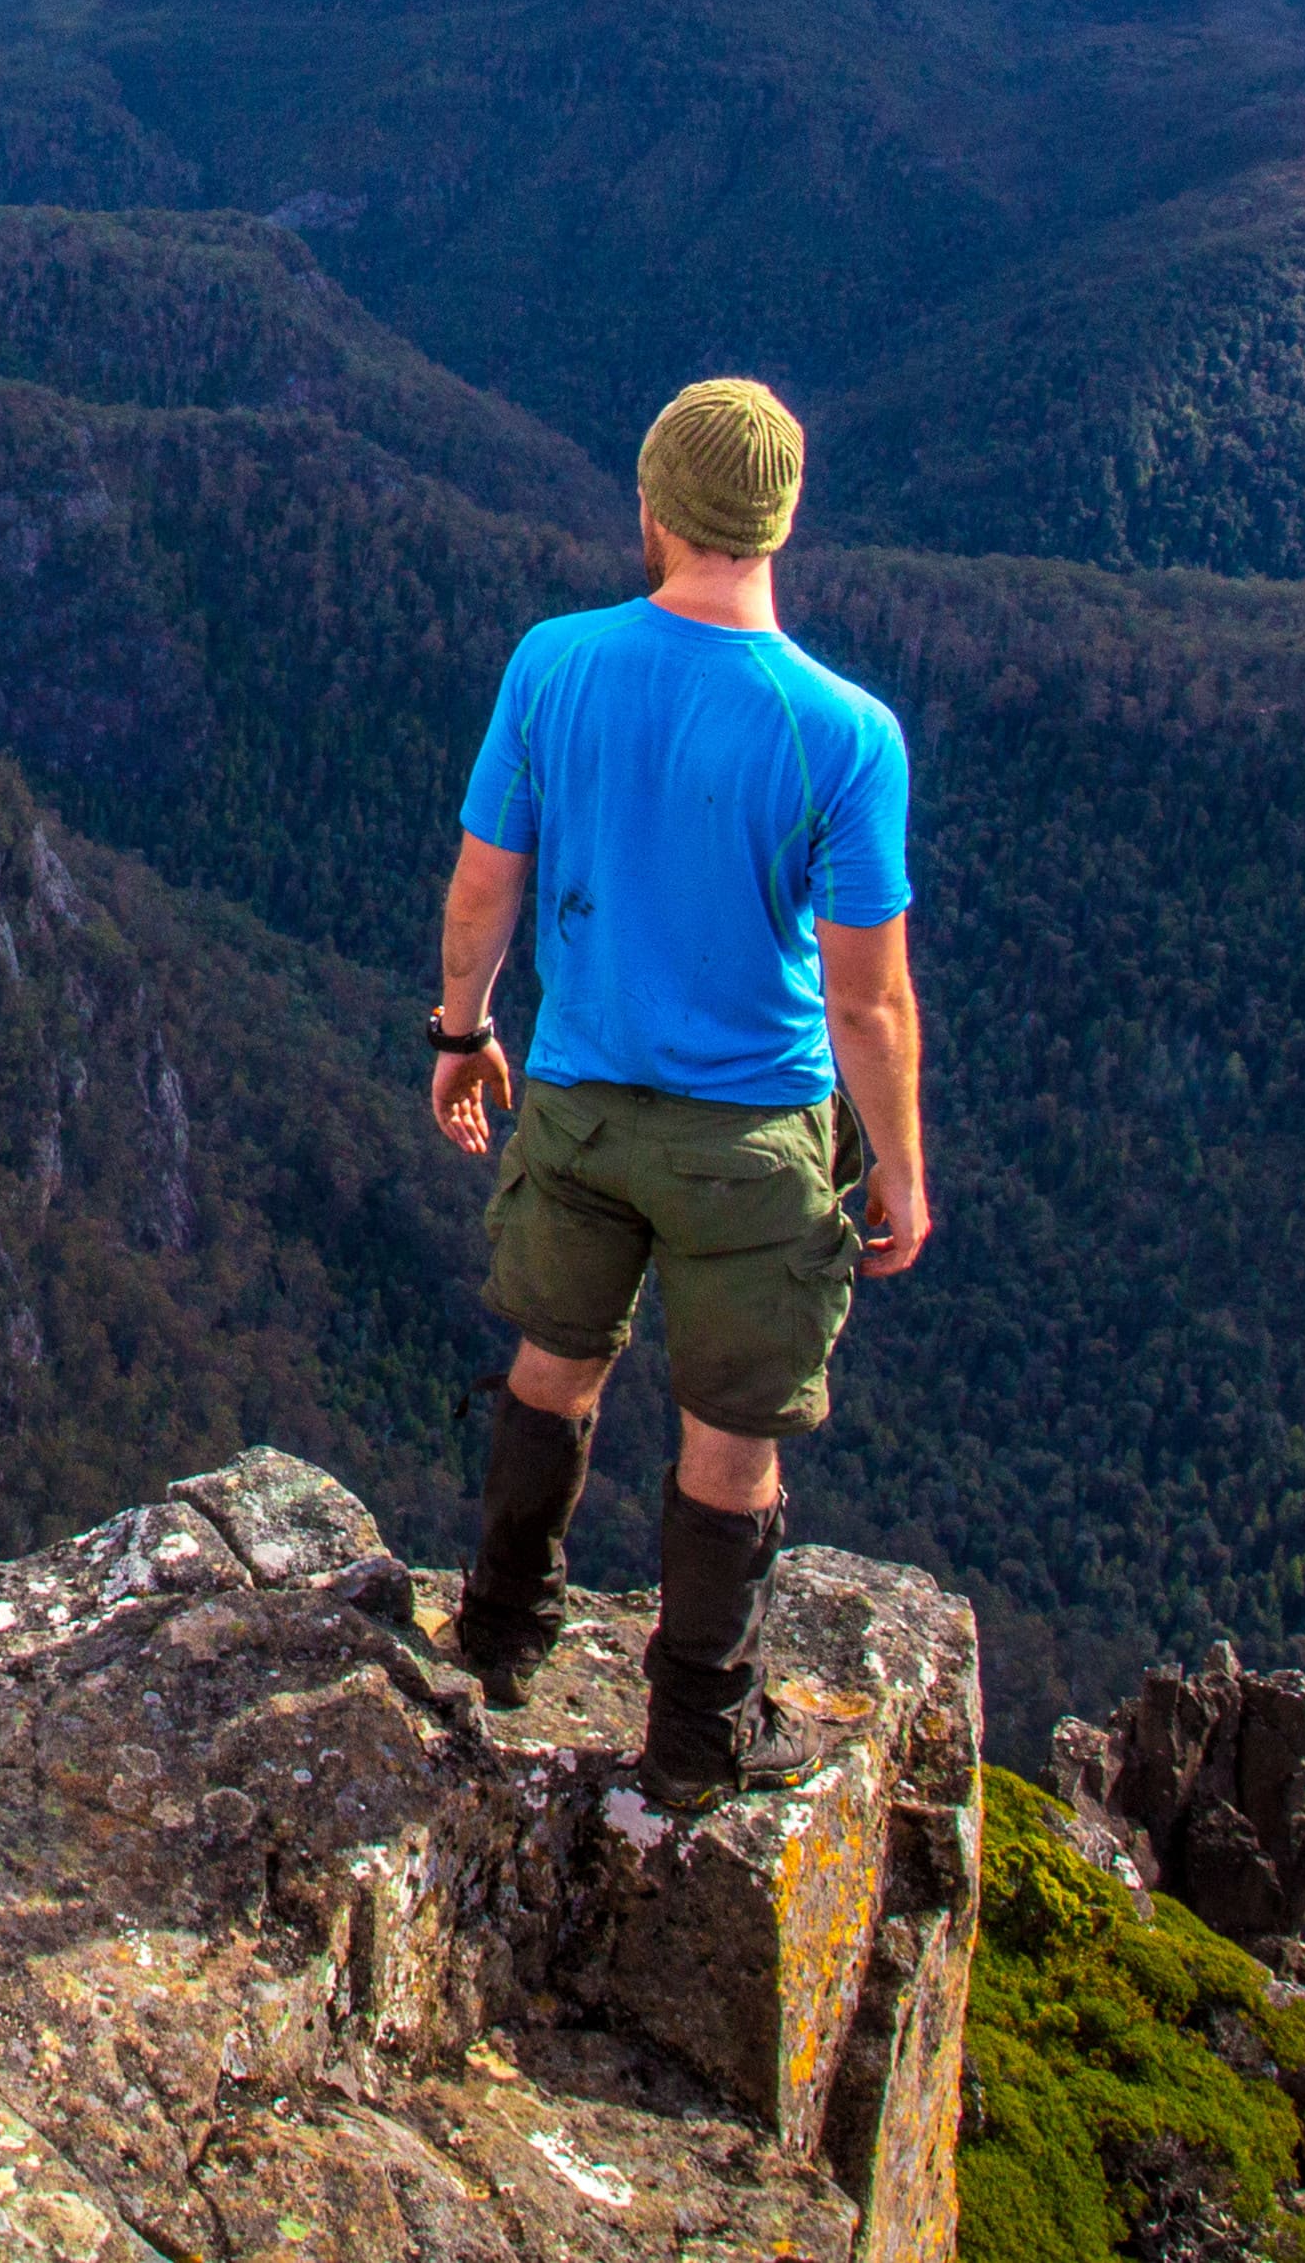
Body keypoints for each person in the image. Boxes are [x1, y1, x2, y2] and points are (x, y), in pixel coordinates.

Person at [430, 374, 930, 1793]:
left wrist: (460, 1033)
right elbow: (868, 994)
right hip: (756, 1138)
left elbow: (486, 886)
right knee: (732, 1439)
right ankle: (696, 1737)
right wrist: (896, 1162)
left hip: (581, 1105)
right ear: (778, 526)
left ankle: (502, 1627)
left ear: (651, 509)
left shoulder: (554, 664)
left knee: (555, 1365)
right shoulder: (846, 733)